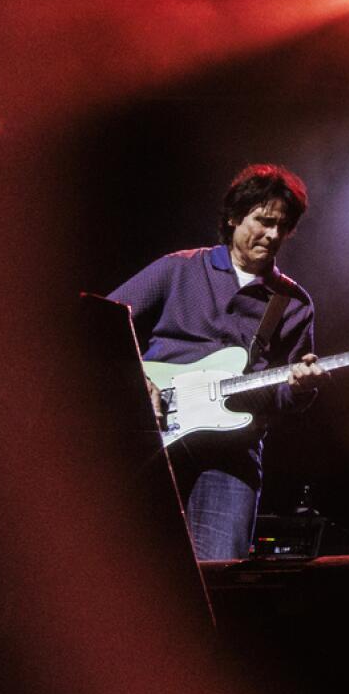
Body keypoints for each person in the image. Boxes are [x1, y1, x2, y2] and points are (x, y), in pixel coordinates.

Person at [109, 164, 327, 561]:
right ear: (233, 218)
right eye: (263, 222)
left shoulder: (294, 305)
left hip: (230, 453)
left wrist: (298, 390)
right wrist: (139, 382)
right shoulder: (178, 269)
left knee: (221, 576)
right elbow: (98, 327)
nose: (273, 235)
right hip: (153, 435)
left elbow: (278, 400)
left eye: (282, 227)